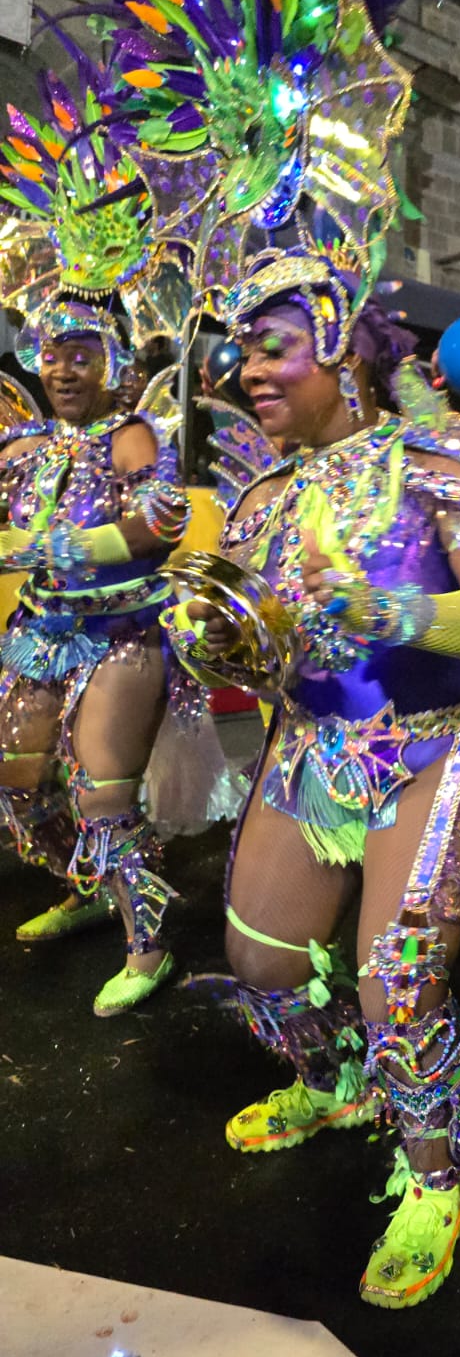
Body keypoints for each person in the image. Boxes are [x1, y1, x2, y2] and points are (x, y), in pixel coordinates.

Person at [167, 249, 460, 1307]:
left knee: (397, 980)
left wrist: (396, 611)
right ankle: (336, 1081)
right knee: (260, 956)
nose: (249, 369)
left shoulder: (435, 461)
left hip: (438, 740)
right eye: (243, 350)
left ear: (341, 347)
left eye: (274, 346)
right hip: (316, 741)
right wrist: (218, 641)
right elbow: (264, 645)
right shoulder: (264, 494)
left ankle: (434, 1172)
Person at [0, 297, 191, 1014]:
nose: (63, 371)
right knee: (17, 776)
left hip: (123, 631)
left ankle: (150, 943)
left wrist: (58, 546)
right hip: (43, 628)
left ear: (110, 363)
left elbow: (160, 524)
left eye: (81, 356)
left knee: (101, 791)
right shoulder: (27, 447)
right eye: (51, 356)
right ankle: (87, 887)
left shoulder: (131, 436)